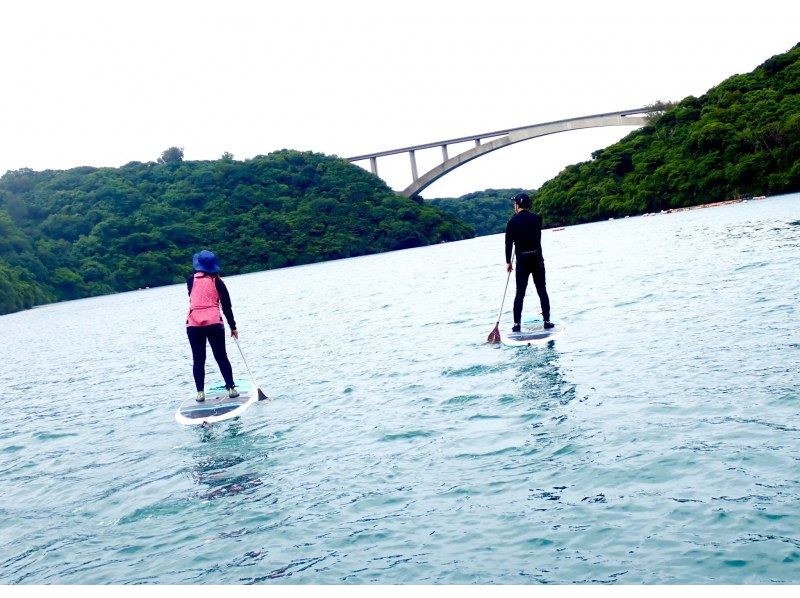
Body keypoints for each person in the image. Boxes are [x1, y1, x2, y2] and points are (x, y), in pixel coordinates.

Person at [186, 250, 239, 402]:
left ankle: (200, 393)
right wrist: (233, 327)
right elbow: (227, 307)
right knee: (221, 356)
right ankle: (231, 388)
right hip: (214, 322)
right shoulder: (218, 282)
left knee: (198, 359)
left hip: (193, 324)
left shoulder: (191, 280)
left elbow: (193, 297)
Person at [505, 192, 554, 332]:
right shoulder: (537, 219)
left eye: (515, 203)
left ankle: (516, 324)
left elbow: (508, 244)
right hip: (537, 259)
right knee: (542, 290)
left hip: (522, 261)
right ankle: (547, 320)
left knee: (519, 293)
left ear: (517, 205)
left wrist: (508, 262)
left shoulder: (511, 222)